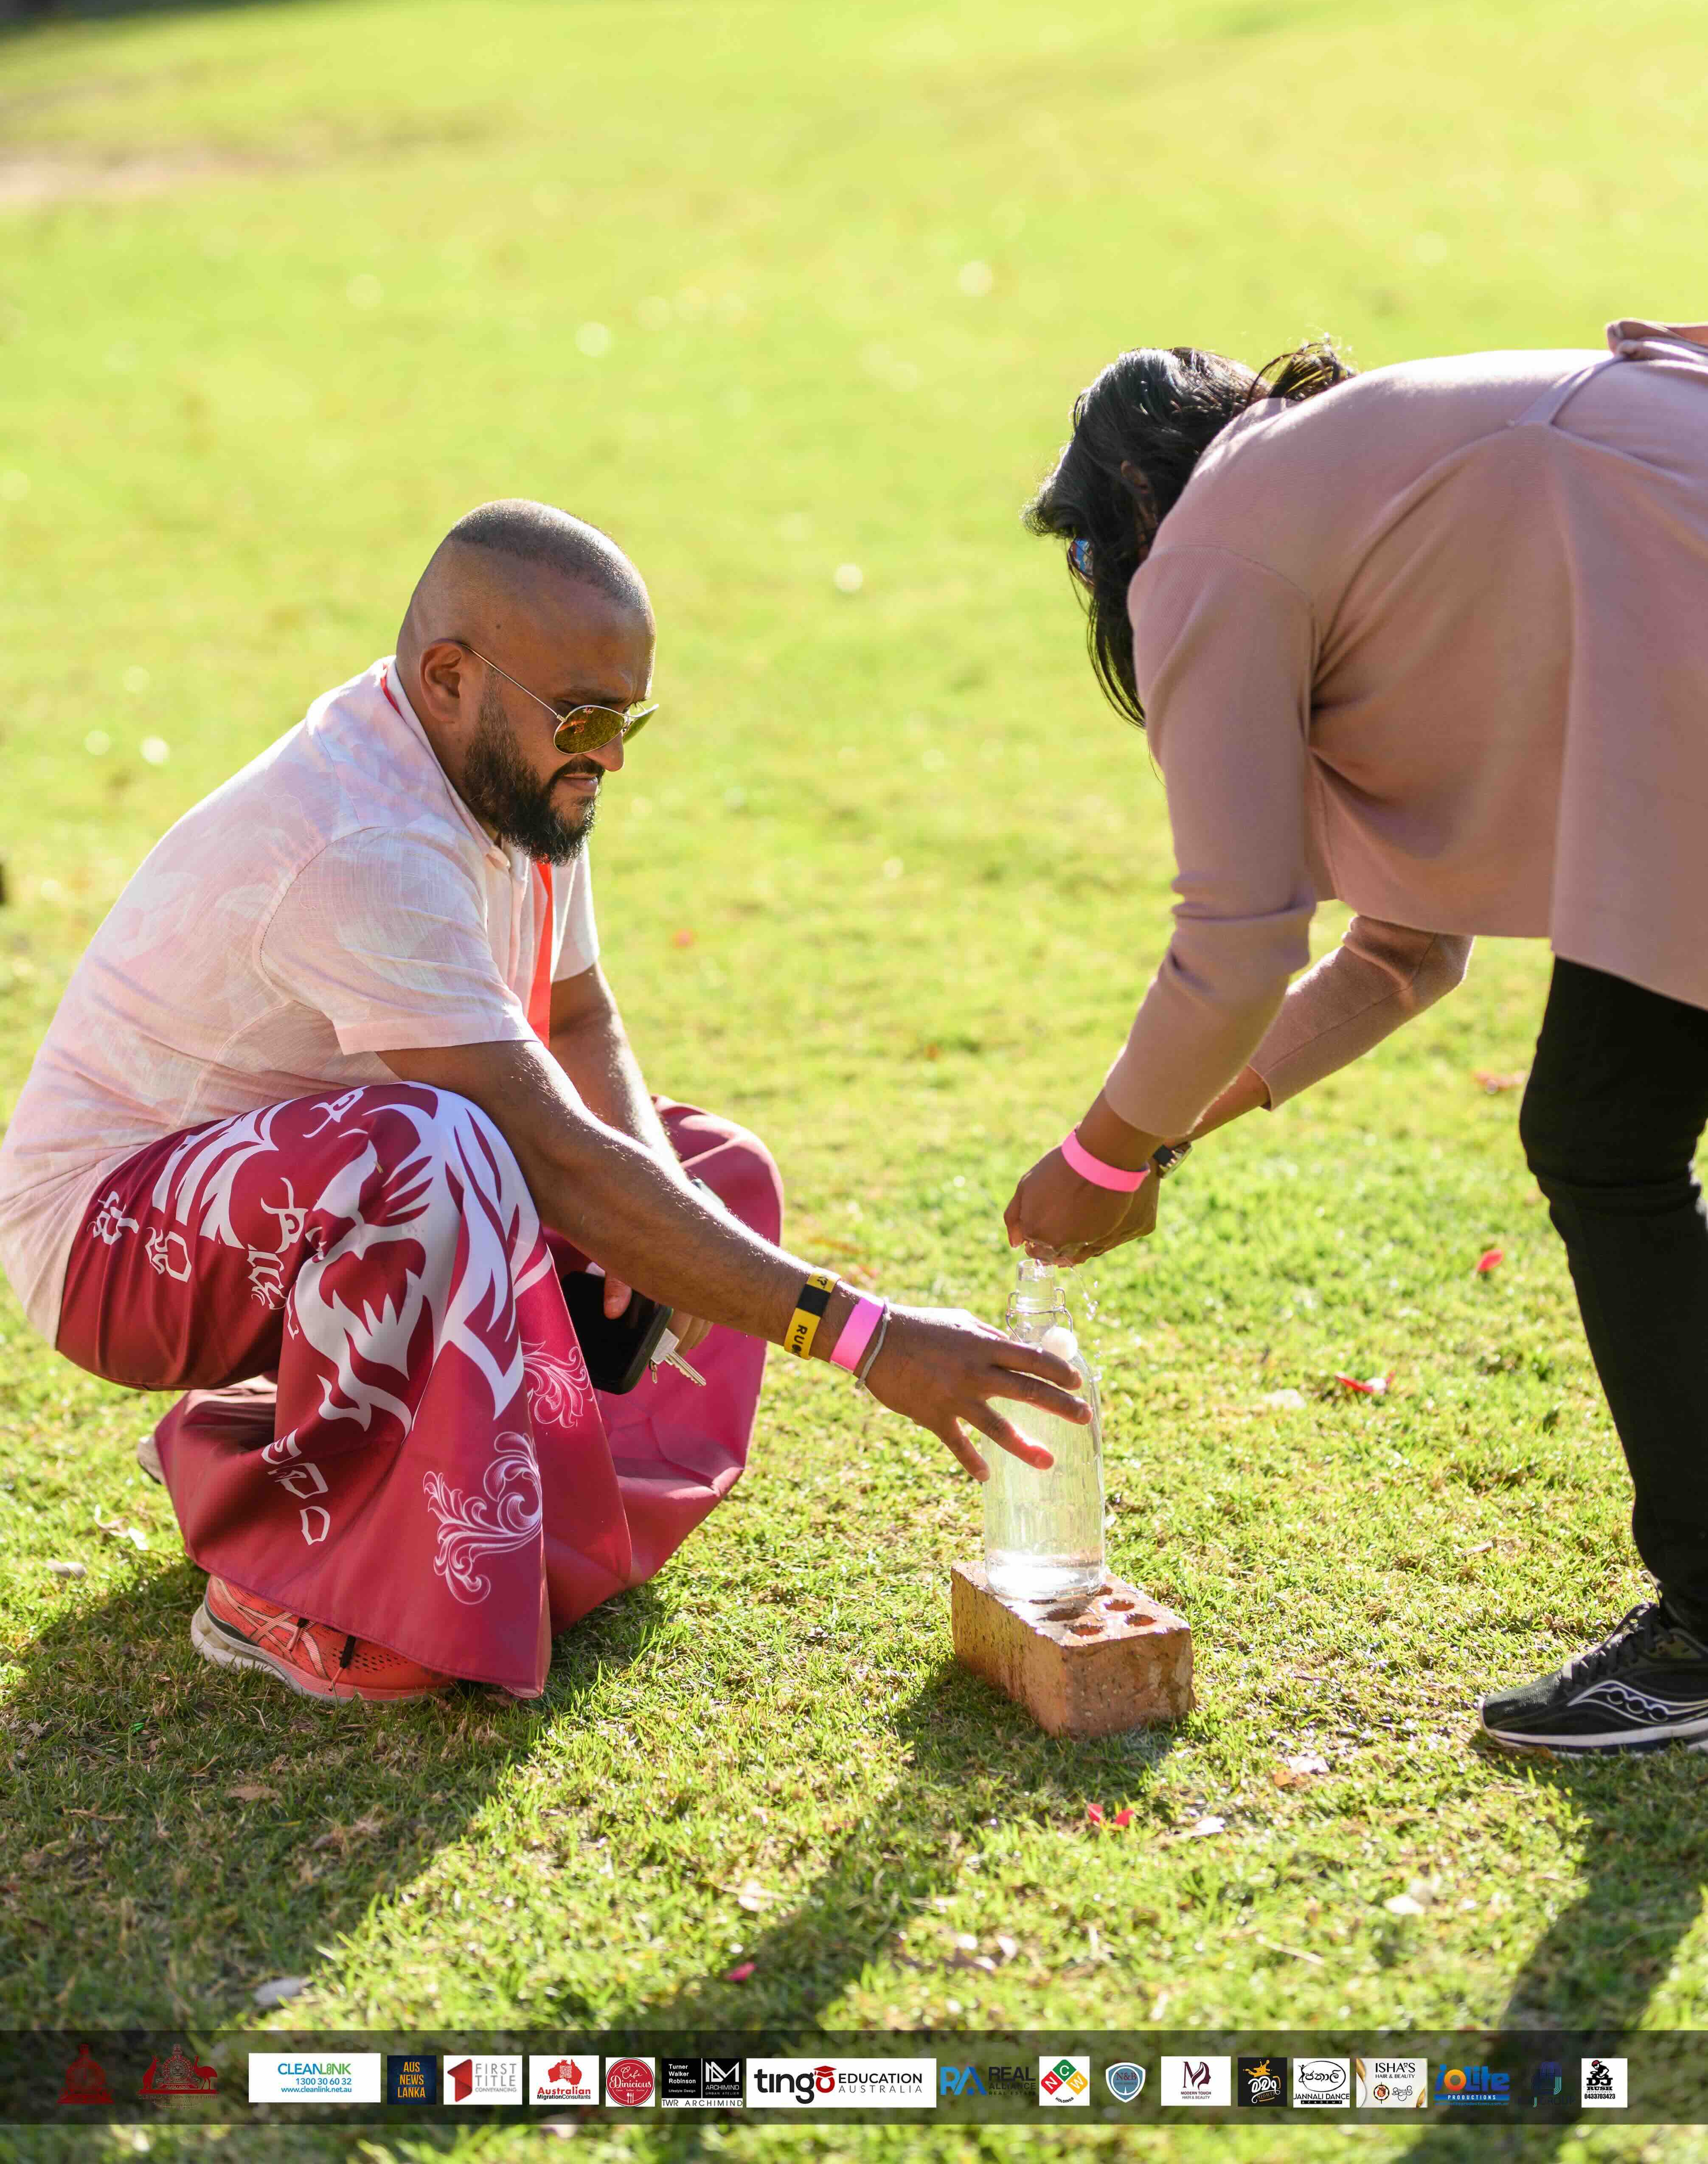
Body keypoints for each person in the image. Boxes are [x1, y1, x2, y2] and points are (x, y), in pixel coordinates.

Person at [0, 501, 1086, 1704]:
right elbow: (551, 1156)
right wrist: (863, 1337)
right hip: (108, 1245)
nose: (612, 755)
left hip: (299, 1200)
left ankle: (498, 1530)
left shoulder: (516, 781)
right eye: (585, 717)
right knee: (437, 1150)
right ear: (450, 676)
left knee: (708, 1177)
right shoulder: (368, 837)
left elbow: (577, 1022)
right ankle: (280, 1584)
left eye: (630, 718)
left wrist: (655, 1212)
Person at [1006, 317, 1708, 1755]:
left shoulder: (1210, 541)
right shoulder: (1335, 499)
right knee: (1605, 1128)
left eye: (1084, 557)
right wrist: (1169, 1137)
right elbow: (1400, 952)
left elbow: (1239, 943)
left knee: (1603, 1138)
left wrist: (1105, 1155)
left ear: (1130, 505)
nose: (1101, 594)